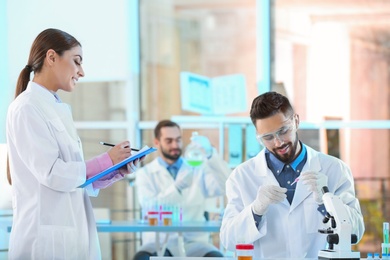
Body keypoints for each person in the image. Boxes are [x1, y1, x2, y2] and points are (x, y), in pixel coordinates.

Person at [6, 28, 141, 260]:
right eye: (76, 62)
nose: (82, 72)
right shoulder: (26, 108)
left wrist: (113, 170)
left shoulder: (54, 107)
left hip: (69, 237)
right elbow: (53, 174)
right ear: (51, 57)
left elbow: (75, 181)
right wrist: (106, 159)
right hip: (44, 243)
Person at [220, 91, 365, 258]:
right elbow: (229, 240)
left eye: (283, 130)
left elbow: (356, 232)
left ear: (296, 121)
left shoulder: (334, 169)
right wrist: (255, 210)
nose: (278, 142)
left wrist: (327, 202)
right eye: (268, 137)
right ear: (258, 137)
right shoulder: (241, 176)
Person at [134, 120, 231, 259]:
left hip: (194, 242)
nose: (175, 145)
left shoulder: (197, 167)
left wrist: (210, 154)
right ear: (156, 142)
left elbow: (225, 186)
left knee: (216, 257)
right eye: (169, 141)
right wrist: (176, 188)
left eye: (178, 140)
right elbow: (149, 206)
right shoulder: (145, 174)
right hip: (159, 242)